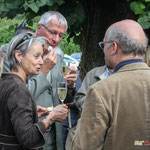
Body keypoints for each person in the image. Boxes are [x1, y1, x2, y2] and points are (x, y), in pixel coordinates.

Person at [72, 19, 150, 150]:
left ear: (113, 47)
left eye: (104, 45)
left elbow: (86, 146)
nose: (103, 51)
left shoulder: (101, 90)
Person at [0, 33, 68, 150]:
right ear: (19, 56)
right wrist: (50, 119)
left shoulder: (5, 82)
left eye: (41, 56)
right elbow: (29, 138)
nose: (41, 62)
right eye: (36, 56)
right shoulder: (19, 89)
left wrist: (32, 112)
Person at [27, 11, 77, 150]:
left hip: (55, 138)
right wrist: (44, 70)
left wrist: (70, 86)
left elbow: (62, 98)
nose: (55, 39)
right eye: (52, 32)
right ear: (39, 28)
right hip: (28, 134)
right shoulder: (17, 53)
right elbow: (16, 97)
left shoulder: (58, 58)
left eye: (60, 35)